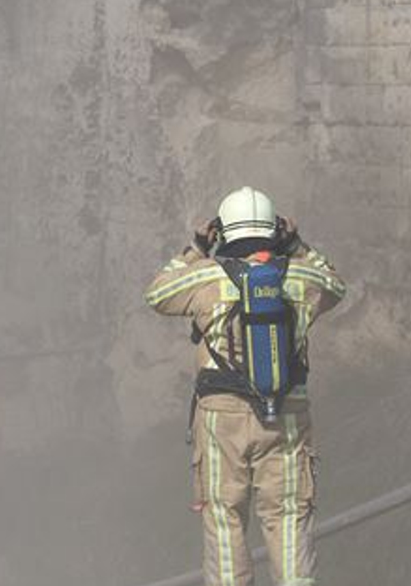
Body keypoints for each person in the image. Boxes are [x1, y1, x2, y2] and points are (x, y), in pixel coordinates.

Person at [144, 186, 347, 586]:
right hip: (286, 417)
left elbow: (157, 292)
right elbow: (335, 284)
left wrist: (196, 247)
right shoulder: (301, 278)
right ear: (273, 229)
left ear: (226, 233)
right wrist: (298, 245)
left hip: (222, 419)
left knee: (225, 516)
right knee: (287, 515)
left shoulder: (205, 278)